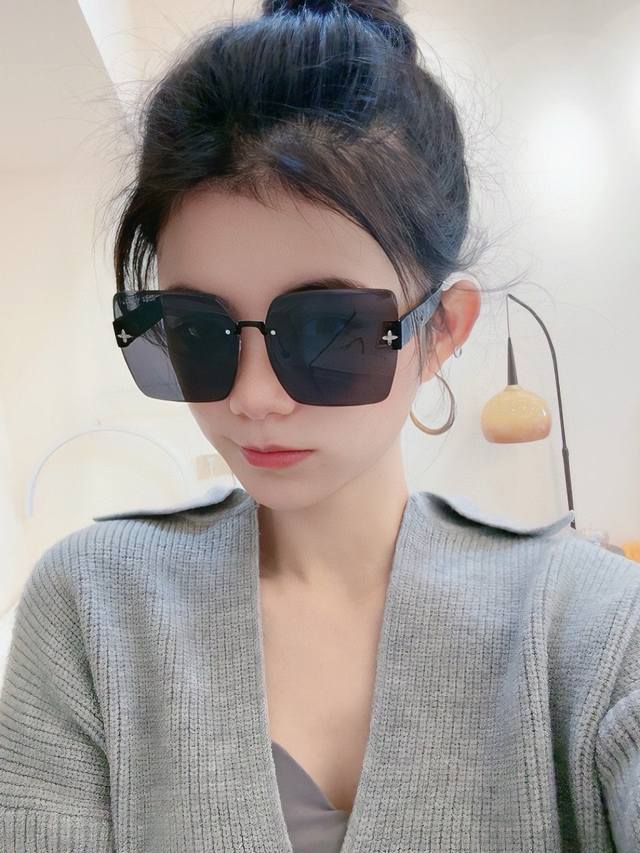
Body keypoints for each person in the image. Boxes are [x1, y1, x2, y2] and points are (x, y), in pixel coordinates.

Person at [1, 0, 639, 851]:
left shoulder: (594, 625)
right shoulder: (91, 610)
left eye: (328, 330)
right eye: (197, 330)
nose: (254, 397)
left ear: (441, 331)